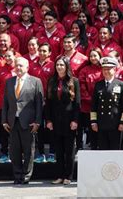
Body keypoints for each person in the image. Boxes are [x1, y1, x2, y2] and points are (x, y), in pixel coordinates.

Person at [2, 57, 44, 185]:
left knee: (28, 151)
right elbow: (5, 103)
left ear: (27, 67)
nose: (18, 68)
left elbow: (39, 104)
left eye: (21, 66)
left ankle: (26, 175)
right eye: (17, 66)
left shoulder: (36, 81)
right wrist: (4, 120)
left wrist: (37, 121)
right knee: (14, 151)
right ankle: (17, 175)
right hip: (13, 121)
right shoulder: (9, 82)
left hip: (29, 122)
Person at [46, 57, 80, 186]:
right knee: (58, 150)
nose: (59, 67)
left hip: (69, 121)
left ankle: (68, 175)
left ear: (66, 66)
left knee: (69, 150)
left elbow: (77, 103)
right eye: (57, 64)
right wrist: (48, 120)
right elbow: (48, 103)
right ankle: (60, 175)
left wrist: (75, 120)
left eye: (62, 64)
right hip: (55, 121)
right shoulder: (52, 81)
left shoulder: (74, 81)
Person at [90, 57, 123, 150]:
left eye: (109, 69)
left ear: (115, 69)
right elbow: (94, 105)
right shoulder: (98, 84)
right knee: (103, 150)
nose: (106, 71)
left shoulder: (121, 84)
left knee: (115, 150)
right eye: (104, 69)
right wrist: (93, 122)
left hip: (115, 123)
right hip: (101, 123)